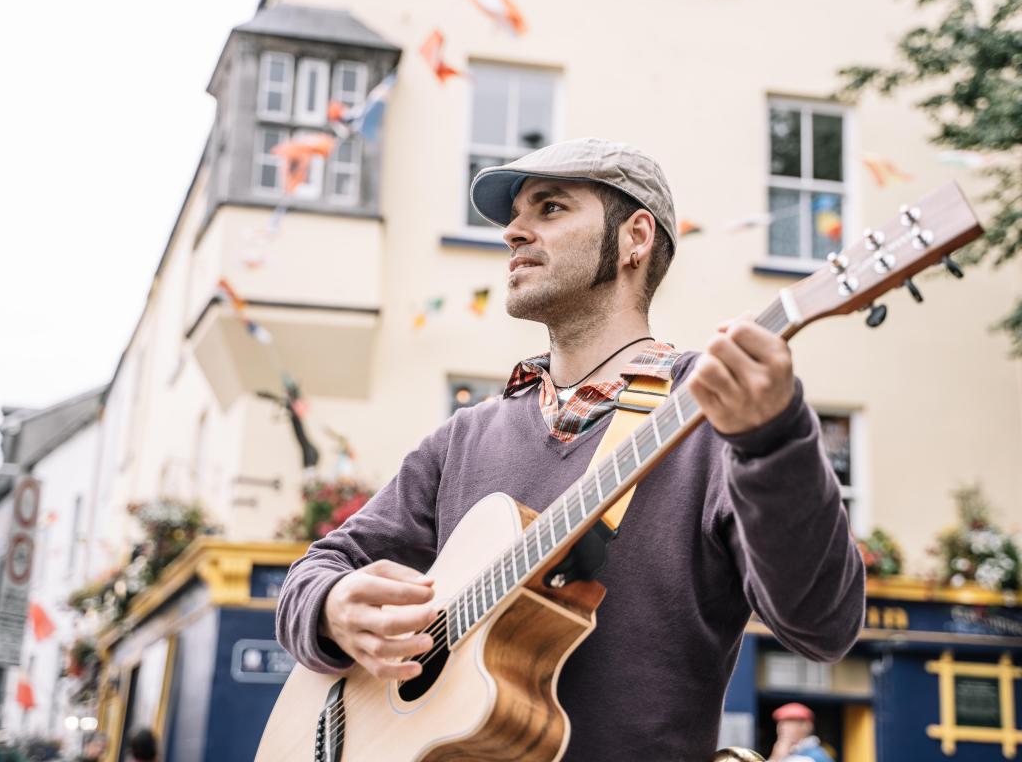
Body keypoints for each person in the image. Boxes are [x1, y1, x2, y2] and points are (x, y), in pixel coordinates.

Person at [276, 137, 865, 761]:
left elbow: (824, 626)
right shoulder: (462, 437)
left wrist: (773, 440)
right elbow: (315, 572)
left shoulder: (719, 411)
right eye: (514, 217)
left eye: (550, 208)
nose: (514, 233)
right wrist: (332, 608)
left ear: (635, 237)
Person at [768, 703, 834, 762]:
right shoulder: (787, 752)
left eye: (789, 722)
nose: (782, 727)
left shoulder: (815, 756)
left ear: (807, 726)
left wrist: (776, 758)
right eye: (780, 722)